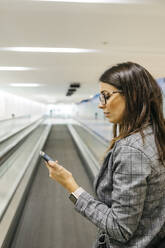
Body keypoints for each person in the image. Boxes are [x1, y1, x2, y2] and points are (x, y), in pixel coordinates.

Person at [44, 62, 165, 248]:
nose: (101, 105)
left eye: (106, 96)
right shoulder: (156, 136)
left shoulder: (131, 151)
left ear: (133, 95)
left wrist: (70, 185)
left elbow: (120, 228)